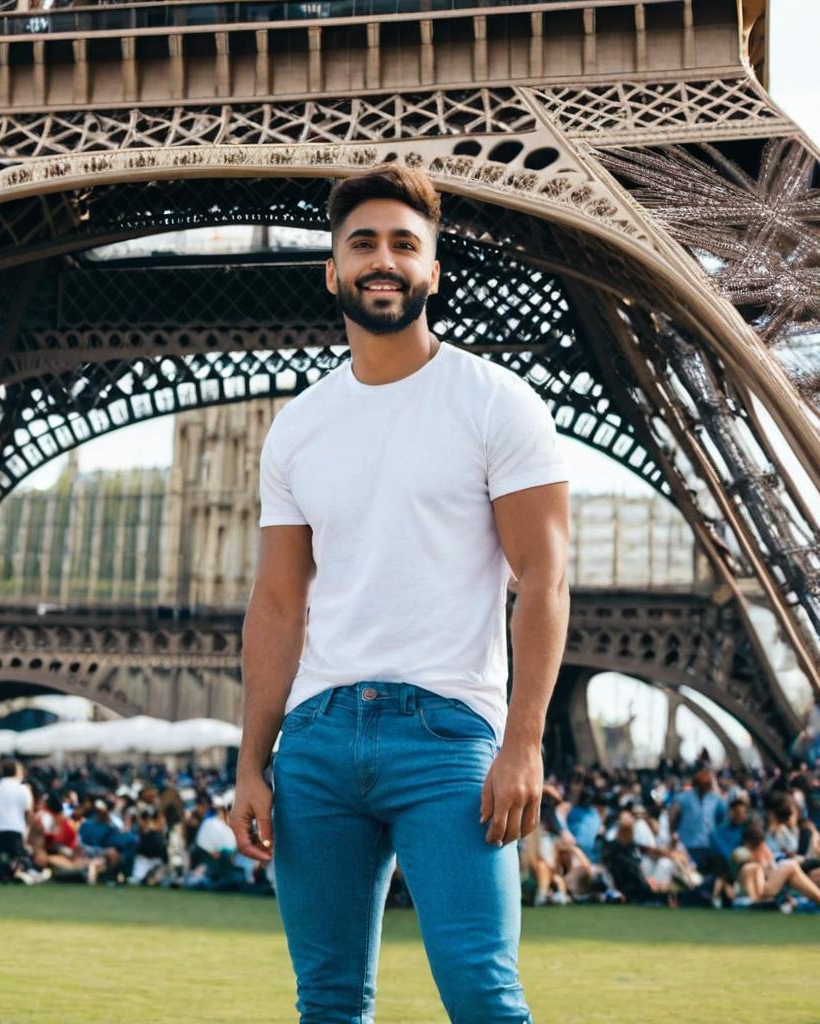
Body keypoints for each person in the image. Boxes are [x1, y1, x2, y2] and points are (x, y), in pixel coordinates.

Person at [231, 163, 570, 1024]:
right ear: (333, 270)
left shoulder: (496, 401)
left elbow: (545, 577)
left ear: (432, 270)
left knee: (484, 996)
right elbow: (277, 607)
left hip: (448, 739)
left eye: (404, 245)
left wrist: (523, 743)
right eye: (363, 244)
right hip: (315, 744)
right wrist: (250, 764)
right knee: (329, 1003)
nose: (383, 260)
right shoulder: (299, 424)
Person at [0, 758, 36, 883]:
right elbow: (29, 812)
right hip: (17, 829)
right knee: (17, 858)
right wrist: (28, 829)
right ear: (17, 772)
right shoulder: (24, 789)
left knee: (0, 860)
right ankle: (17, 873)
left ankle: (6, 874)